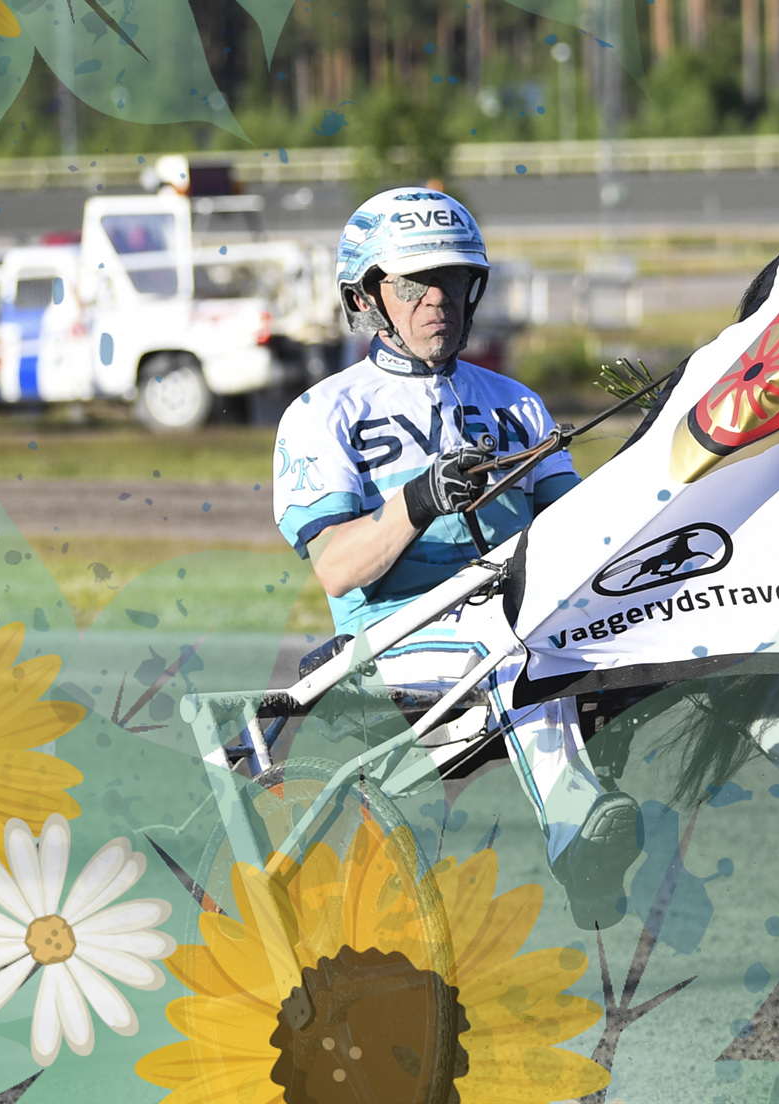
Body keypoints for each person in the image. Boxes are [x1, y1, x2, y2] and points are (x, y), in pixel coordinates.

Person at [272, 187, 639, 925]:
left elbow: (579, 534)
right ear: (366, 298)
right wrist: (419, 499)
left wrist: (649, 465)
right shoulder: (321, 414)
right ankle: (578, 833)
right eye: (414, 284)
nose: (437, 298)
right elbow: (337, 569)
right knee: (512, 639)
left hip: (518, 625)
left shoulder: (518, 403)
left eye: (452, 279)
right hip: (393, 645)